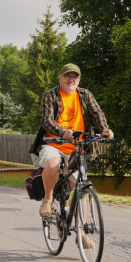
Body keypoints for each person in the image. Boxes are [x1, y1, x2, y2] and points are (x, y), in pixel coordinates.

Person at [30, 63, 113, 248]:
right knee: (52, 164)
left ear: (79, 80)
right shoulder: (50, 95)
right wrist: (62, 132)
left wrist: (105, 129)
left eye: (75, 77)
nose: (71, 79)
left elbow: (97, 114)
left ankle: (80, 233)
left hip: (76, 147)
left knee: (80, 189)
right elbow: (46, 120)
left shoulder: (85, 95)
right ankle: (48, 199)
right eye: (68, 76)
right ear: (60, 78)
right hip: (53, 142)